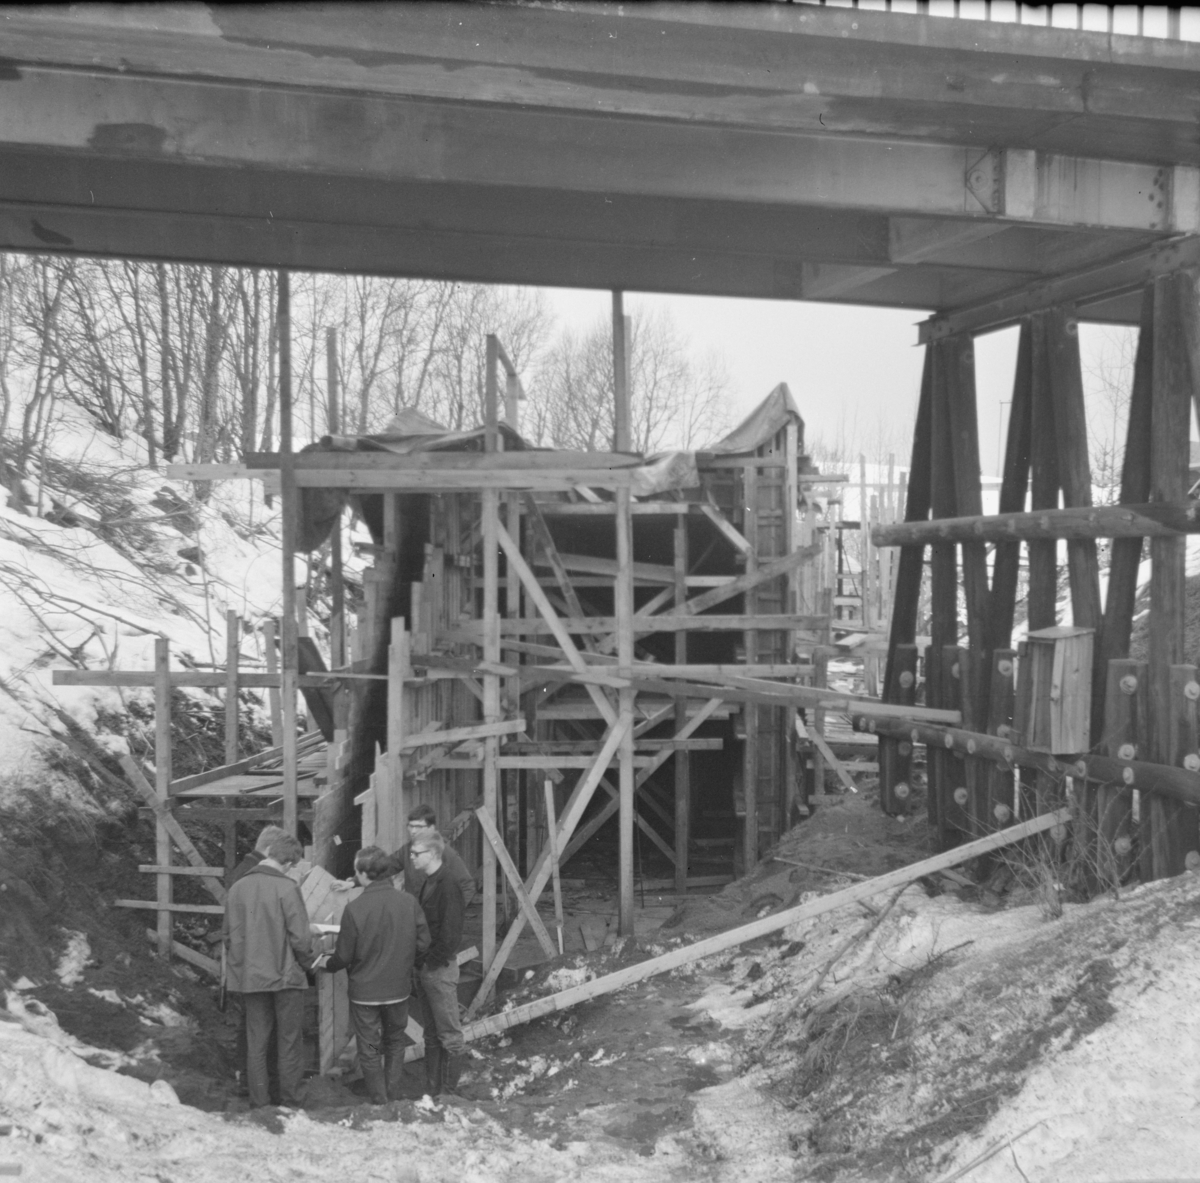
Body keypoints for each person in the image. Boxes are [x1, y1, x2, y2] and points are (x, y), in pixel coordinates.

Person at [322, 846, 431, 1105]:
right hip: (398, 991)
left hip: (366, 995)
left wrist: (329, 964)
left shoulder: (355, 909)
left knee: (370, 1046)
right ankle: (393, 1093)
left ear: (362, 874)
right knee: (394, 1042)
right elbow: (424, 943)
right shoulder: (408, 902)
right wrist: (406, 963)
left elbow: (344, 956)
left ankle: (379, 1099)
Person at [223, 832, 315, 1109]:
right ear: (287, 863)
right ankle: (290, 1100)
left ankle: (259, 1102)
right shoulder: (287, 888)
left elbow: (228, 936)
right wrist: (309, 962)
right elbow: (300, 938)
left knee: (256, 1043)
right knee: (288, 1042)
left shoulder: (238, 888)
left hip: (251, 978)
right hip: (285, 978)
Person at [224, 824, 284, 1098]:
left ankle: (249, 1080)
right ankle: (252, 1083)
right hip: (255, 963)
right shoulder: (250, 874)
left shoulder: (241, 871)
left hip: (245, 962)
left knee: (250, 1024)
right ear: (270, 850)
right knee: (255, 1028)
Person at [411, 830, 467, 1096]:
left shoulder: (448, 885)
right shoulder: (429, 882)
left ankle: (450, 1095)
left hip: (439, 970)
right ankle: (433, 1092)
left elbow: (451, 935)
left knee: (450, 1036)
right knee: (432, 1035)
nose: (411, 857)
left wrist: (430, 963)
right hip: (428, 969)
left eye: (416, 853)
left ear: (432, 854)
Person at [388, 804, 476, 909]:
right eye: (411, 826)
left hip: (435, 920)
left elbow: (467, 886)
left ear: (431, 828)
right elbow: (386, 866)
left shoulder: (446, 853)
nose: (413, 831)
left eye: (418, 827)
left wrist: (451, 914)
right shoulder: (407, 850)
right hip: (415, 916)